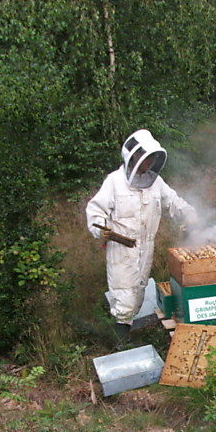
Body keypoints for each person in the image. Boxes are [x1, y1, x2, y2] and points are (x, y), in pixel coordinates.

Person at [86, 129, 198, 340]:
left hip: (146, 246)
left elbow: (173, 202)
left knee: (139, 291)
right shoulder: (114, 181)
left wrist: (192, 216)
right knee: (124, 295)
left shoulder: (155, 182)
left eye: (153, 158)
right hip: (121, 248)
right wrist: (100, 228)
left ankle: (129, 331)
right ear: (135, 157)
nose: (150, 162)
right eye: (147, 158)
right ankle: (120, 342)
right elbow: (95, 211)